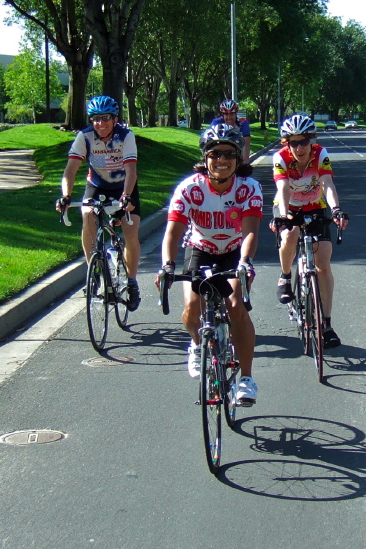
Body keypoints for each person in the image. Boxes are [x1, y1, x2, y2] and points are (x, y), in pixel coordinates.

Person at [156, 124, 263, 405]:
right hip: (200, 249)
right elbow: (173, 231)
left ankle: (247, 379)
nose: (222, 160)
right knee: (192, 307)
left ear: (238, 158)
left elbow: (250, 230)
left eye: (229, 154)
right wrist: (167, 265)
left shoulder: (248, 187)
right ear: (205, 158)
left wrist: (246, 263)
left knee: (236, 306)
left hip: (234, 250)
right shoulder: (190, 188)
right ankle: (195, 344)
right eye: (215, 154)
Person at [56, 95, 142, 311]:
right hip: (97, 185)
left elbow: (131, 170)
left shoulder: (125, 136)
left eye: (105, 118)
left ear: (114, 119)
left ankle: (131, 282)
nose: (100, 124)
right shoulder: (84, 137)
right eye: (95, 119)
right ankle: (94, 272)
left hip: (125, 187)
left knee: (130, 232)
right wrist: (66, 195)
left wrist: (127, 196)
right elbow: (71, 169)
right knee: (87, 216)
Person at [270, 114, 349, 348]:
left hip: (316, 206)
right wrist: (284, 216)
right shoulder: (280, 158)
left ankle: (326, 325)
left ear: (311, 141)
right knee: (290, 235)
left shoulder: (320, 154)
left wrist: (336, 210)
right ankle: (285, 277)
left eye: (304, 141)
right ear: (287, 144)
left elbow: (327, 184)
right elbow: (283, 188)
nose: (299, 147)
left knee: (323, 262)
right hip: (288, 206)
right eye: (293, 142)